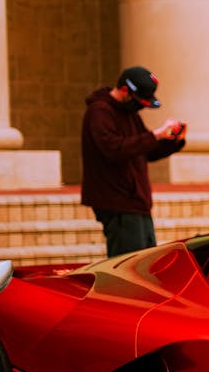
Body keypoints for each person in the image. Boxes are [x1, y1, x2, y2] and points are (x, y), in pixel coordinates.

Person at [80, 66, 187, 256]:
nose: (140, 107)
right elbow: (113, 150)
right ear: (124, 90)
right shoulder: (100, 112)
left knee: (146, 261)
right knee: (128, 266)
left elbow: (146, 151)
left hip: (137, 202)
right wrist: (155, 135)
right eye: (139, 102)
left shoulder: (130, 115)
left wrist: (173, 141)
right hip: (117, 201)